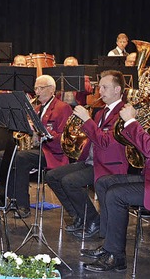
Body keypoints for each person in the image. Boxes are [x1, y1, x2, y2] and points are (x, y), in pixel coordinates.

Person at [82, 66, 150, 272]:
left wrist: (132, 121)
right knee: (104, 182)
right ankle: (109, 245)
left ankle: (116, 257)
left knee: (116, 195)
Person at [45, 70, 128, 239]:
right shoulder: (100, 112)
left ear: (118, 90)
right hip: (91, 161)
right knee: (52, 176)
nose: (100, 91)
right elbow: (91, 137)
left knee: (70, 182)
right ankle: (79, 216)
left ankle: (93, 220)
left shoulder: (123, 113)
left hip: (108, 165)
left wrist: (87, 120)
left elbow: (106, 142)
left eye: (105, 87)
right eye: (100, 87)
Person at [0, 75, 72, 218]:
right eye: (35, 88)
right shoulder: (36, 108)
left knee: (22, 158)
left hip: (52, 153)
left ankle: (23, 205)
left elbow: (63, 140)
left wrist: (39, 130)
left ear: (52, 89)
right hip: (36, 150)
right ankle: (11, 198)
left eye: (41, 88)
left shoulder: (63, 108)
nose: (37, 91)